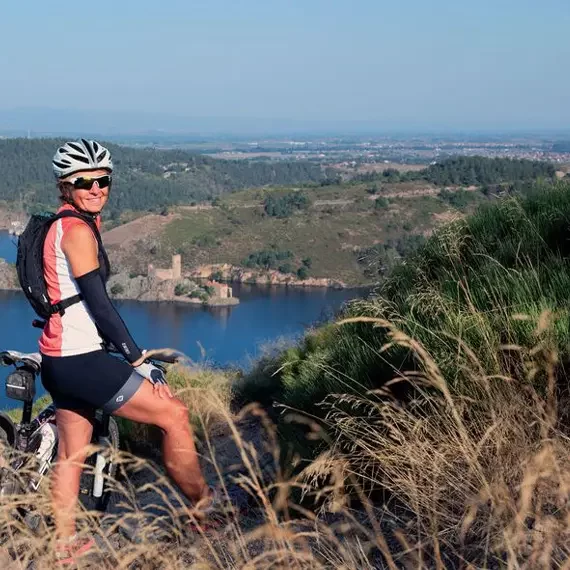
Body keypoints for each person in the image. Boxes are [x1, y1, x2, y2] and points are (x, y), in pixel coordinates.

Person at [41, 139, 212, 564]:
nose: (96, 188)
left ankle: (64, 548)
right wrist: (138, 358)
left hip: (57, 360)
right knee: (174, 415)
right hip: (81, 359)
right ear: (66, 185)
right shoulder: (78, 231)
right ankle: (206, 513)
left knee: (70, 455)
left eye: (103, 180)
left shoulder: (63, 224)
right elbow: (100, 305)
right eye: (84, 181)